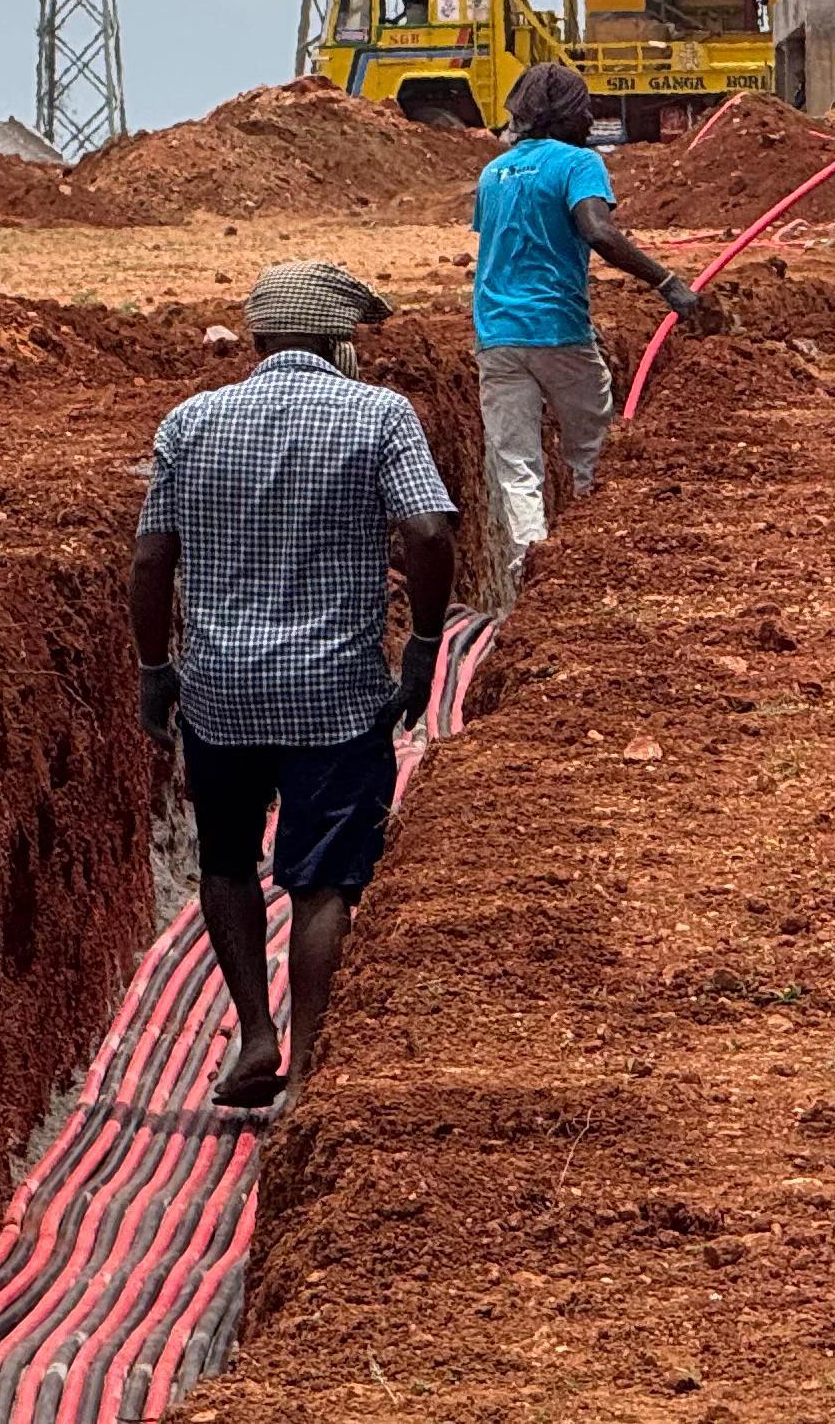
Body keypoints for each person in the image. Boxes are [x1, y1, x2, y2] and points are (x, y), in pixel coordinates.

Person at [128, 260, 458, 1111]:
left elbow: (150, 556)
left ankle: (254, 1034)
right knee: (323, 883)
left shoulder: (190, 420)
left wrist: (155, 668)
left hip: (221, 692)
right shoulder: (378, 414)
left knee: (228, 862)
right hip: (336, 696)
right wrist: (424, 642)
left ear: (260, 337)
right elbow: (426, 527)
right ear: (340, 341)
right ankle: (307, 1067)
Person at [472, 61, 700, 554]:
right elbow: (597, 231)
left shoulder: (493, 174)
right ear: (566, 115)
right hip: (557, 330)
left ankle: (527, 570)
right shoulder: (578, 164)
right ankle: (585, 554)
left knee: (516, 466)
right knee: (591, 456)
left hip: (496, 335)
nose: (589, 120)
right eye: (584, 110)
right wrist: (667, 282)